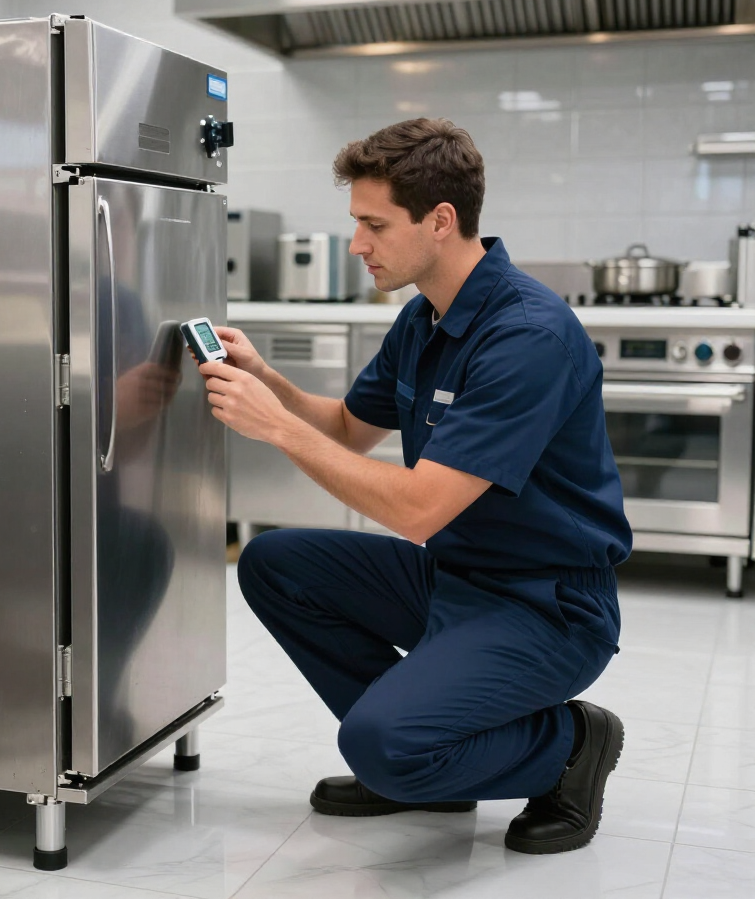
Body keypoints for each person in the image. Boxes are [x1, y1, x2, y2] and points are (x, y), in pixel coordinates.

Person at [199, 118, 631, 855]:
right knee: (275, 565)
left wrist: (274, 428)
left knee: (383, 747)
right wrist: (266, 381)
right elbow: (342, 428)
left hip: (547, 603)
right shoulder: (424, 318)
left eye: (373, 224)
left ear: (440, 222)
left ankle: (568, 745)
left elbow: (421, 510)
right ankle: (437, 766)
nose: (358, 244)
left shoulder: (527, 336)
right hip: (458, 577)